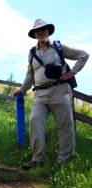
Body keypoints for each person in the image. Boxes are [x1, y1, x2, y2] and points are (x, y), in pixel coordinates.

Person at [13, 19, 89, 170]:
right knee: (35, 121)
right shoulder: (32, 52)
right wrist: (22, 89)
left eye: (44, 29)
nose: (41, 32)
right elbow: (30, 74)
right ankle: (38, 159)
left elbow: (84, 55)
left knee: (65, 125)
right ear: (34, 34)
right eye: (38, 30)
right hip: (40, 94)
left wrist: (72, 73)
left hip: (60, 91)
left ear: (48, 31)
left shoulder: (58, 47)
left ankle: (64, 161)